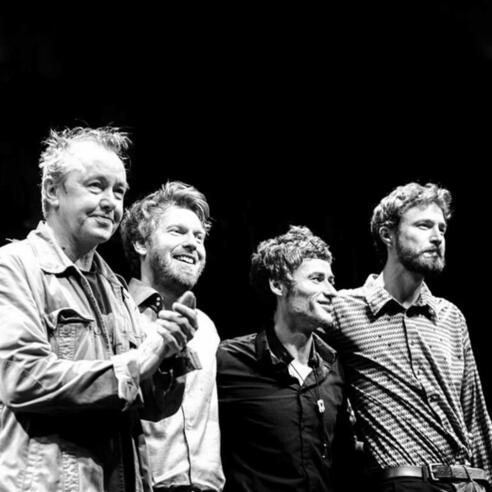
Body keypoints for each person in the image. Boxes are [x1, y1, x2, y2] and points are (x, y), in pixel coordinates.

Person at [0, 127, 198, 492]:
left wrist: (168, 354)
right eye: (96, 186)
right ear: (52, 191)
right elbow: (21, 378)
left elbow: (153, 409)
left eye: (119, 191)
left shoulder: (116, 288)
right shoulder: (13, 266)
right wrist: (138, 362)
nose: (111, 202)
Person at [323, 182, 492, 492]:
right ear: (388, 234)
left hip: (469, 483)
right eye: (424, 225)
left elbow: (475, 416)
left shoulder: (451, 317)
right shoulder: (344, 309)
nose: (437, 237)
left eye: (442, 228)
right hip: (404, 481)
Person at [217, 225, 358, 492]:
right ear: (278, 285)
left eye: (331, 280)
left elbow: (344, 461)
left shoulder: (334, 366)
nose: (332, 292)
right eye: (317, 279)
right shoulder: (229, 361)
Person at [120, 181, 225, 492]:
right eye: (178, 232)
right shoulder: (116, 315)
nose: (193, 244)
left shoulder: (206, 327)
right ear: (141, 243)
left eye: (199, 237)